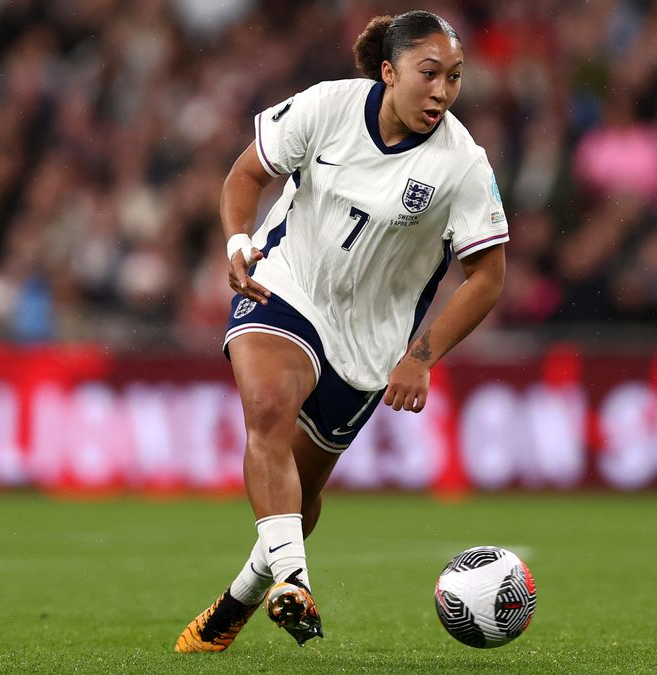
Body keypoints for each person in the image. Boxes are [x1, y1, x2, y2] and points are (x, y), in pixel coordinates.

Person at [174, 10, 508, 652]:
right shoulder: (327, 108)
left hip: (369, 344)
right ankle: (293, 581)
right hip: (285, 284)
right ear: (389, 70)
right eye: (429, 74)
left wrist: (421, 355)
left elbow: (488, 277)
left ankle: (244, 594)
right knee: (267, 408)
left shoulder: (462, 163)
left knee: (303, 493)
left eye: (455, 79)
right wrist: (240, 239)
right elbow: (245, 175)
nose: (441, 92)